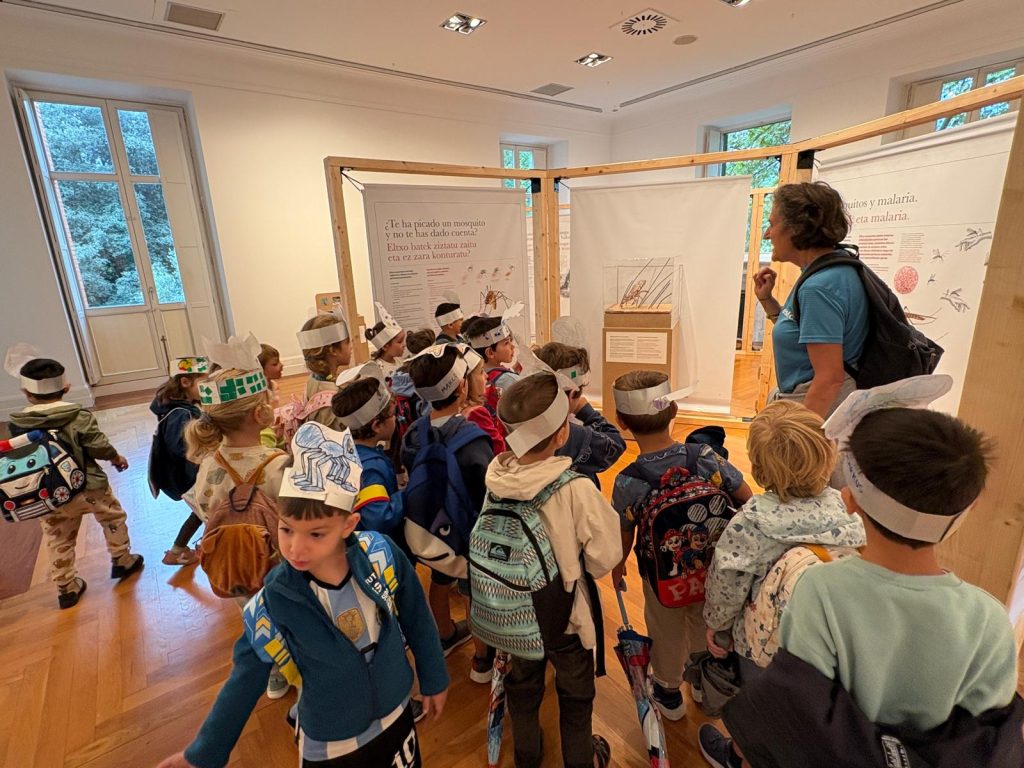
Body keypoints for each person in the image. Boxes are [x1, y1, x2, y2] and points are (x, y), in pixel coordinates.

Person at [701, 377, 1022, 768]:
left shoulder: (821, 592)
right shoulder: (990, 620)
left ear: (849, 498)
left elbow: (793, 712)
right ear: (968, 510)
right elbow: (989, 744)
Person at [156, 422, 449, 768]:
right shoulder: (274, 599)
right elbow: (246, 676)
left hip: (397, 714)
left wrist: (434, 677)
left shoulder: (381, 555)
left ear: (348, 525)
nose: (295, 548)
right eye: (286, 529)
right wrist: (203, 754)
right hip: (331, 741)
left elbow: (417, 617)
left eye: (316, 534)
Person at [481, 371, 621, 768]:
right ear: (562, 434)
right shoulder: (575, 488)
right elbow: (606, 555)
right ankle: (580, 759)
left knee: (523, 688)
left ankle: (527, 755)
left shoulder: (495, 480)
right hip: (566, 615)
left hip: (512, 613)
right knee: (576, 698)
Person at [610, 370, 752, 720]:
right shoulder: (703, 455)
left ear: (621, 422)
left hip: (662, 578)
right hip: (713, 570)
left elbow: (624, 532)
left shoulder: (628, 480)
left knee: (666, 630)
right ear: (673, 410)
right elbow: (745, 495)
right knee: (705, 620)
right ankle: (702, 681)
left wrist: (618, 565)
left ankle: (669, 692)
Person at [702, 400, 865, 682]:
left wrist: (717, 625)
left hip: (766, 645)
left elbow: (726, 587)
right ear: (829, 455)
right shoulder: (846, 506)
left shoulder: (750, 523)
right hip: (835, 635)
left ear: (758, 468)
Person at [183, 337, 292, 701]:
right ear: (260, 415)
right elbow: (293, 519)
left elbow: (203, 511)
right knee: (289, 616)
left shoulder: (208, 465)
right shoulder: (277, 464)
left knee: (254, 617)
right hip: (278, 566)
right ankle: (298, 666)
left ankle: (273, 674)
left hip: (234, 566)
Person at [7, 353, 144, 609]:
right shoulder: (78, 415)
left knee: (58, 537)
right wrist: (115, 458)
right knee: (112, 518)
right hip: (88, 486)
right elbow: (98, 445)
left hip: (48, 493)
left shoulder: (18, 423)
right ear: (66, 387)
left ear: (27, 393)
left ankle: (66, 586)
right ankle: (122, 560)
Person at [401, 344, 494, 682]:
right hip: (468, 533)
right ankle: (482, 661)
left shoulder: (414, 432)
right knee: (473, 591)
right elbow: (487, 489)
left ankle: (444, 634)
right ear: (461, 386)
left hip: (430, 529)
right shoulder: (471, 437)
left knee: (440, 579)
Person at [754, 181, 868, 418]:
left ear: (796, 228)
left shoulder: (818, 287)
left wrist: (801, 434)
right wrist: (767, 300)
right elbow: (802, 333)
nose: (767, 234)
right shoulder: (835, 268)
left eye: (772, 224)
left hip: (814, 404)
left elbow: (829, 379)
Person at [536, 341, 625, 488]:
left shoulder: (520, 422)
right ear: (572, 394)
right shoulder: (572, 435)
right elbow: (616, 444)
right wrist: (587, 413)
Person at [332, 370, 405, 540]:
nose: (396, 419)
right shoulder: (370, 468)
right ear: (377, 426)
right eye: (393, 414)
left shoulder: (345, 452)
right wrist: (409, 494)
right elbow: (380, 519)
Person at [150, 356, 208, 566]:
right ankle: (180, 550)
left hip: (188, 472)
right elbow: (181, 447)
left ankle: (178, 549)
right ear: (185, 382)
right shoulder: (179, 414)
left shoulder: (183, 408)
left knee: (201, 510)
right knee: (205, 510)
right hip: (187, 473)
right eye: (203, 382)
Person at [296, 313, 353, 431]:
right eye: (347, 342)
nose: (351, 347)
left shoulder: (313, 378)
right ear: (333, 350)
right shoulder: (332, 401)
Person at [457, 342, 507, 454]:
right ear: (469, 381)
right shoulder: (476, 412)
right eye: (481, 371)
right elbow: (499, 448)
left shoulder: (458, 409)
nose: (486, 375)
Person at [366, 303, 406, 383]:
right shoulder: (377, 369)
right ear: (385, 346)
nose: (404, 345)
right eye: (400, 341)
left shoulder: (400, 362)